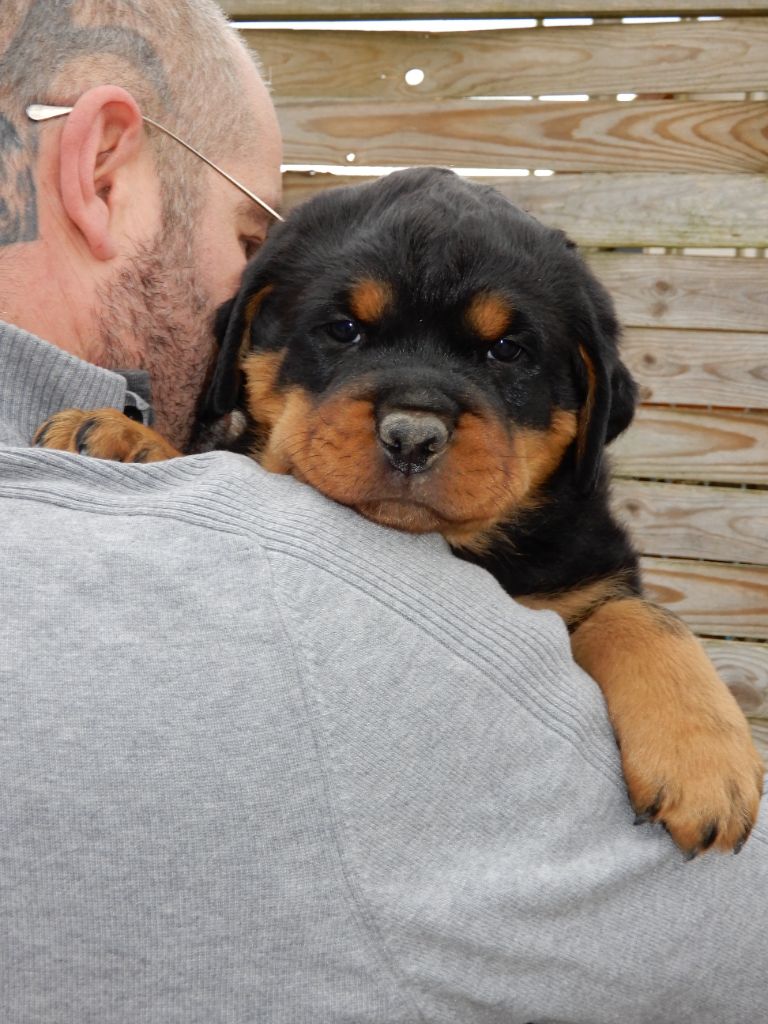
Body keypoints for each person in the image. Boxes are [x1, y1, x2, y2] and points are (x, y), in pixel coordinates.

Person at [0, 3, 766, 1022]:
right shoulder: (244, 557)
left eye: (506, 353)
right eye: (345, 333)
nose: (413, 424)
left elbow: (601, 606)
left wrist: (643, 642)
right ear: (249, 350)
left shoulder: (563, 570)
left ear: (586, 409)